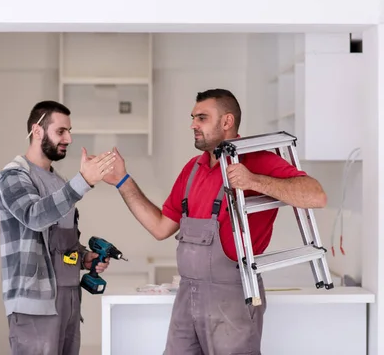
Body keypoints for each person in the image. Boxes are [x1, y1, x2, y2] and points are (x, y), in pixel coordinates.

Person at [103, 89, 327, 354]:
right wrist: (121, 180)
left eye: (202, 118)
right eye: (193, 118)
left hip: (233, 298)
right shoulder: (192, 169)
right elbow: (160, 227)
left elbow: (316, 196)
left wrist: (253, 180)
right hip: (188, 297)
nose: (193, 125)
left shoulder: (257, 159)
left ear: (227, 122)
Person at [0, 100, 117, 355]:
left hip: (68, 301)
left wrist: (84, 258)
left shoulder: (58, 181)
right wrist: (82, 182)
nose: (69, 138)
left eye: (69, 131)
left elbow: (60, 241)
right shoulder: (13, 176)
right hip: (35, 304)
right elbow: (34, 216)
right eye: (61, 131)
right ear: (37, 131)